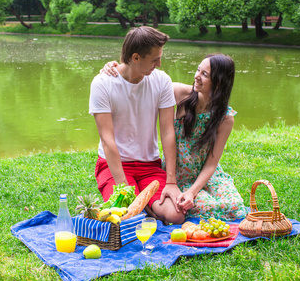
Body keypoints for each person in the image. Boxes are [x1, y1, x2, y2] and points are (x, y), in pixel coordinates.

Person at [102, 53, 247, 220]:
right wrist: (117, 69)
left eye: (204, 74)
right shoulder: (178, 92)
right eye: (198, 70)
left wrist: (192, 192)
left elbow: (212, 163)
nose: (196, 76)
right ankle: (151, 209)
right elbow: (140, 82)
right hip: (176, 175)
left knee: (235, 207)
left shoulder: (225, 117)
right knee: (199, 205)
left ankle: (153, 208)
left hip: (205, 176)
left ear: (219, 82)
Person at [89, 26, 185, 225]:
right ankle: (145, 208)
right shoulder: (102, 83)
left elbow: (167, 133)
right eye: (155, 59)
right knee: (126, 219)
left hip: (149, 166)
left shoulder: (162, 81)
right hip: (114, 166)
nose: (159, 64)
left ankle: (148, 208)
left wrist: (171, 182)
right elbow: (108, 141)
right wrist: (124, 189)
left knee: (176, 215)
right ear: (135, 57)